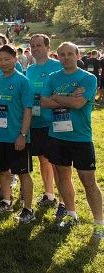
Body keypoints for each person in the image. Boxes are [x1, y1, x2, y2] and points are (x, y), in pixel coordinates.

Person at [41, 42, 104, 238]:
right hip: (57, 136)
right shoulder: (52, 77)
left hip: (81, 138)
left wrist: (57, 96)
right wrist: (68, 97)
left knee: (88, 180)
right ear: (57, 56)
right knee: (62, 177)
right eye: (62, 54)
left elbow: (78, 104)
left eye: (70, 54)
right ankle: (71, 213)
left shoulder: (88, 78)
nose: (66, 57)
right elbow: (43, 101)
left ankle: (99, 224)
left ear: (78, 55)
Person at [0, 45, 35, 222]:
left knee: (23, 173)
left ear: (15, 59)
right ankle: (6, 201)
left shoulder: (23, 81)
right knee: (2, 170)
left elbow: (28, 110)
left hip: (17, 137)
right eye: (0, 60)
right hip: (0, 136)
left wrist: (22, 134)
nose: (3, 63)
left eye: (7, 59)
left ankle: (28, 209)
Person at [26, 34, 63, 208]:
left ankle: (64, 202)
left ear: (48, 47)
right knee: (43, 159)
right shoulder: (30, 69)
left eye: (39, 45)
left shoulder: (58, 67)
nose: (35, 49)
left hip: (54, 122)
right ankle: (49, 194)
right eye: (32, 46)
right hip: (36, 122)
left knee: (57, 163)